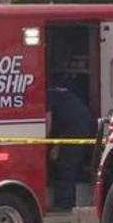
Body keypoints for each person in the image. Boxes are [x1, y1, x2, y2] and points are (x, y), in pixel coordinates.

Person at [47, 79, 94, 210]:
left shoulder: (47, 96)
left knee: (65, 166)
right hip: (86, 126)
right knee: (73, 165)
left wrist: (45, 143)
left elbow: (48, 123)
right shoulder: (59, 92)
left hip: (75, 131)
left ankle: (64, 205)